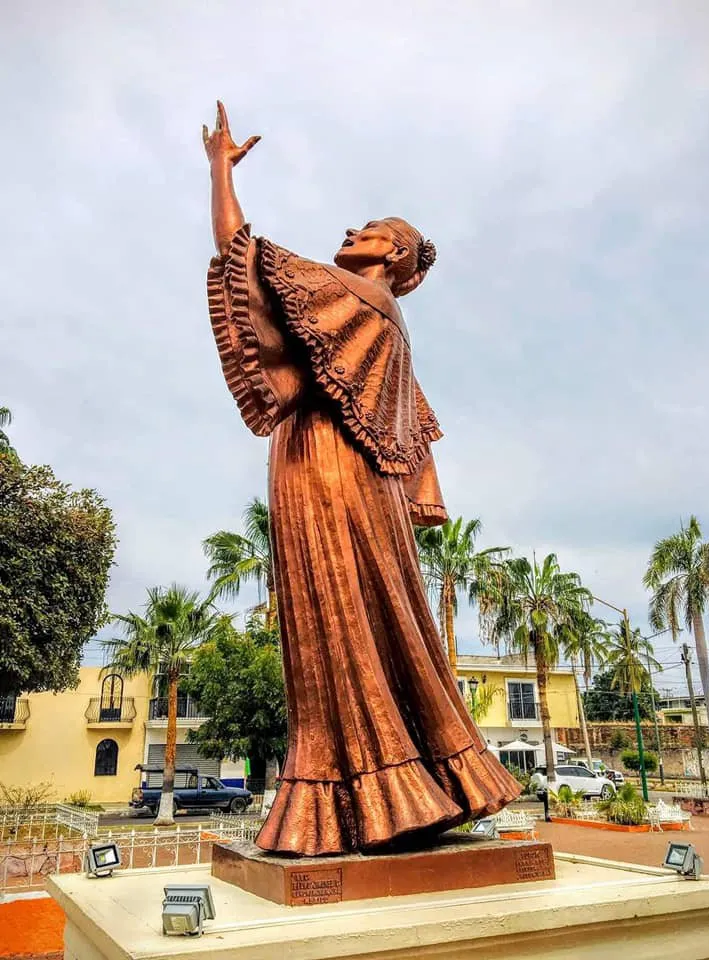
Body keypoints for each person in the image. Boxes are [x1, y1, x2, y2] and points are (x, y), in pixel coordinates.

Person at [203, 102, 520, 856]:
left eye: (371, 230)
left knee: (335, 617)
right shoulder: (389, 325)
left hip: (324, 468)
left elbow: (239, 252)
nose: (351, 232)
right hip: (342, 472)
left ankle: (376, 791)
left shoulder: (357, 299)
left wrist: (218, 167)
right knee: (366, 619)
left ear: (396, 259)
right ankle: (419, 781)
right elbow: (416, 439)